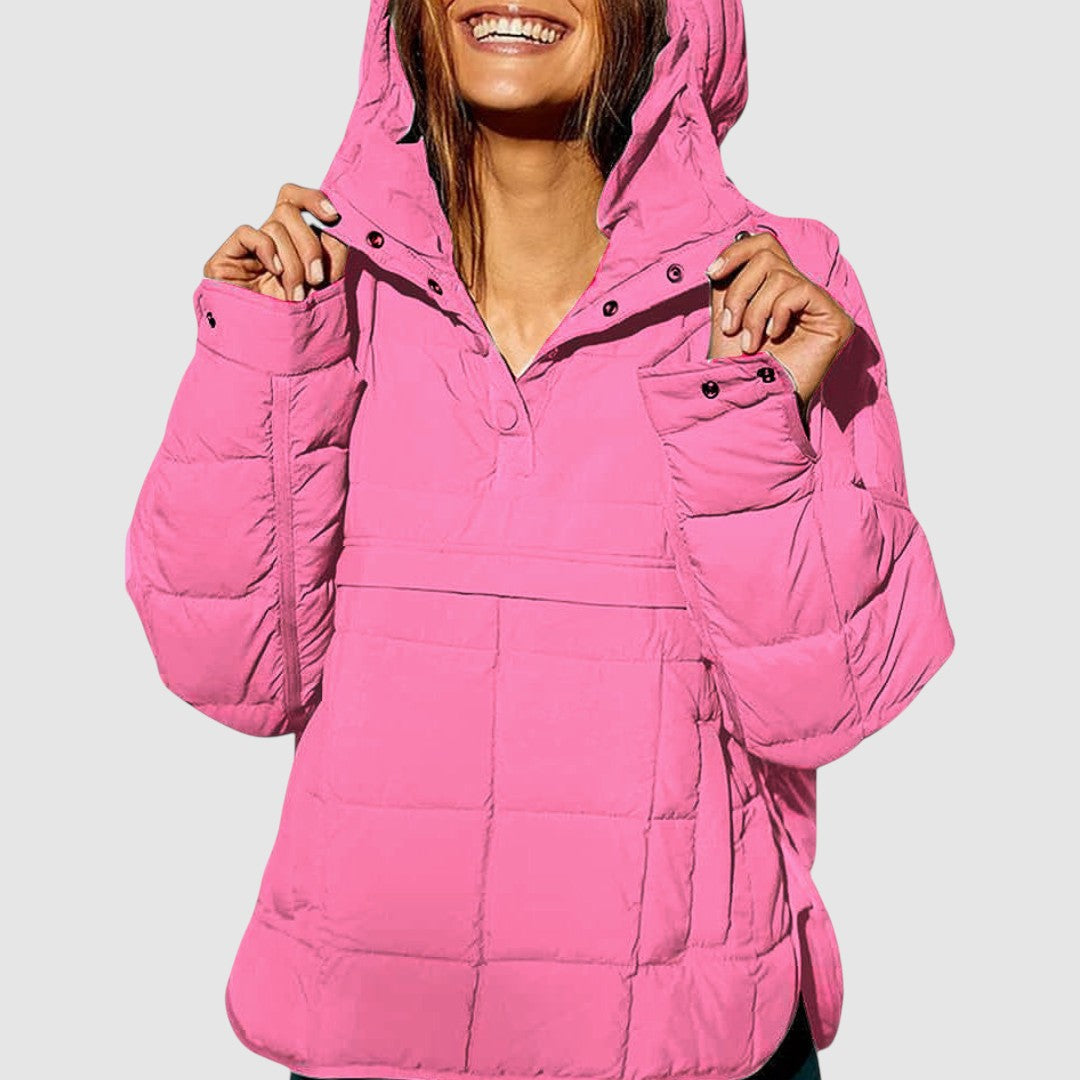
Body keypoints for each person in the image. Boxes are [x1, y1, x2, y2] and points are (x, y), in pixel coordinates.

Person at [123, 1, 955, 1078]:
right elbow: (233, 676)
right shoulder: (327, 286)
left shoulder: (775, 285)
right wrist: (268, 359)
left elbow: (827, 700)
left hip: (691, 1043)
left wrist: (747, 422)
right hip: (375, 1035)